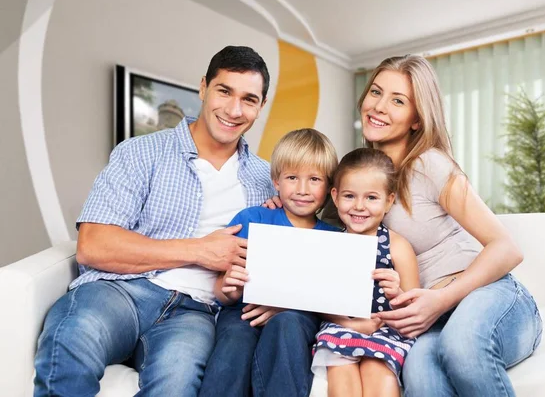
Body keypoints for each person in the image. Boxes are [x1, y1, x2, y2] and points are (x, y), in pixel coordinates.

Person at [33, 46, 276, 397]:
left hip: (197, 313)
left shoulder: (268, 179)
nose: (234, 110)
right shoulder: (139, 152)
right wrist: (200, 251)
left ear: (261, 106)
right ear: (204, 87)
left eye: (249, 99)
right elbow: (92, 247)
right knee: (73, 336)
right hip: (119, 291)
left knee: (177, 382)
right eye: (224, 91)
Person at [352, 54, 543, 397]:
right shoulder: (362, 178)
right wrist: (280, 204)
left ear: (416, 119)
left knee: (460, 346)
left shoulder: (429, 164)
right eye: (376, 92)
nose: (379, 106)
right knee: (421, 381)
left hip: (490, 298)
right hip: (431, 322)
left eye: (398, 100)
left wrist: (439, 300)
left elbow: (507, 248)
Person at [199, 128, 339, 397]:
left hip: (297, 318)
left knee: (287, 325)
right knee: (235, 340)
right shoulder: (253, 219)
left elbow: (331, 300)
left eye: (314, 179)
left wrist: (285, 303)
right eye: (292, 178)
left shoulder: (333, 238)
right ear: (276, 181)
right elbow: (221, 291)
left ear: (329, 188)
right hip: (243, 312)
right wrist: (229, 288)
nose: (302, 189)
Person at [312, 148, 420, 397]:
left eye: (371, 198)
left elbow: (415, 309)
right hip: (341, 327)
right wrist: (351, 323)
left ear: (389, 200)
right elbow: (317, 301)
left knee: (378, 374)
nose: (359, 207)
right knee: (341, 378)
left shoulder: (398, 246)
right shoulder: (329, 245)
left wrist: (397, 293)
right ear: (335, 197)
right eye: (350, 196)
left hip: (387, 330)